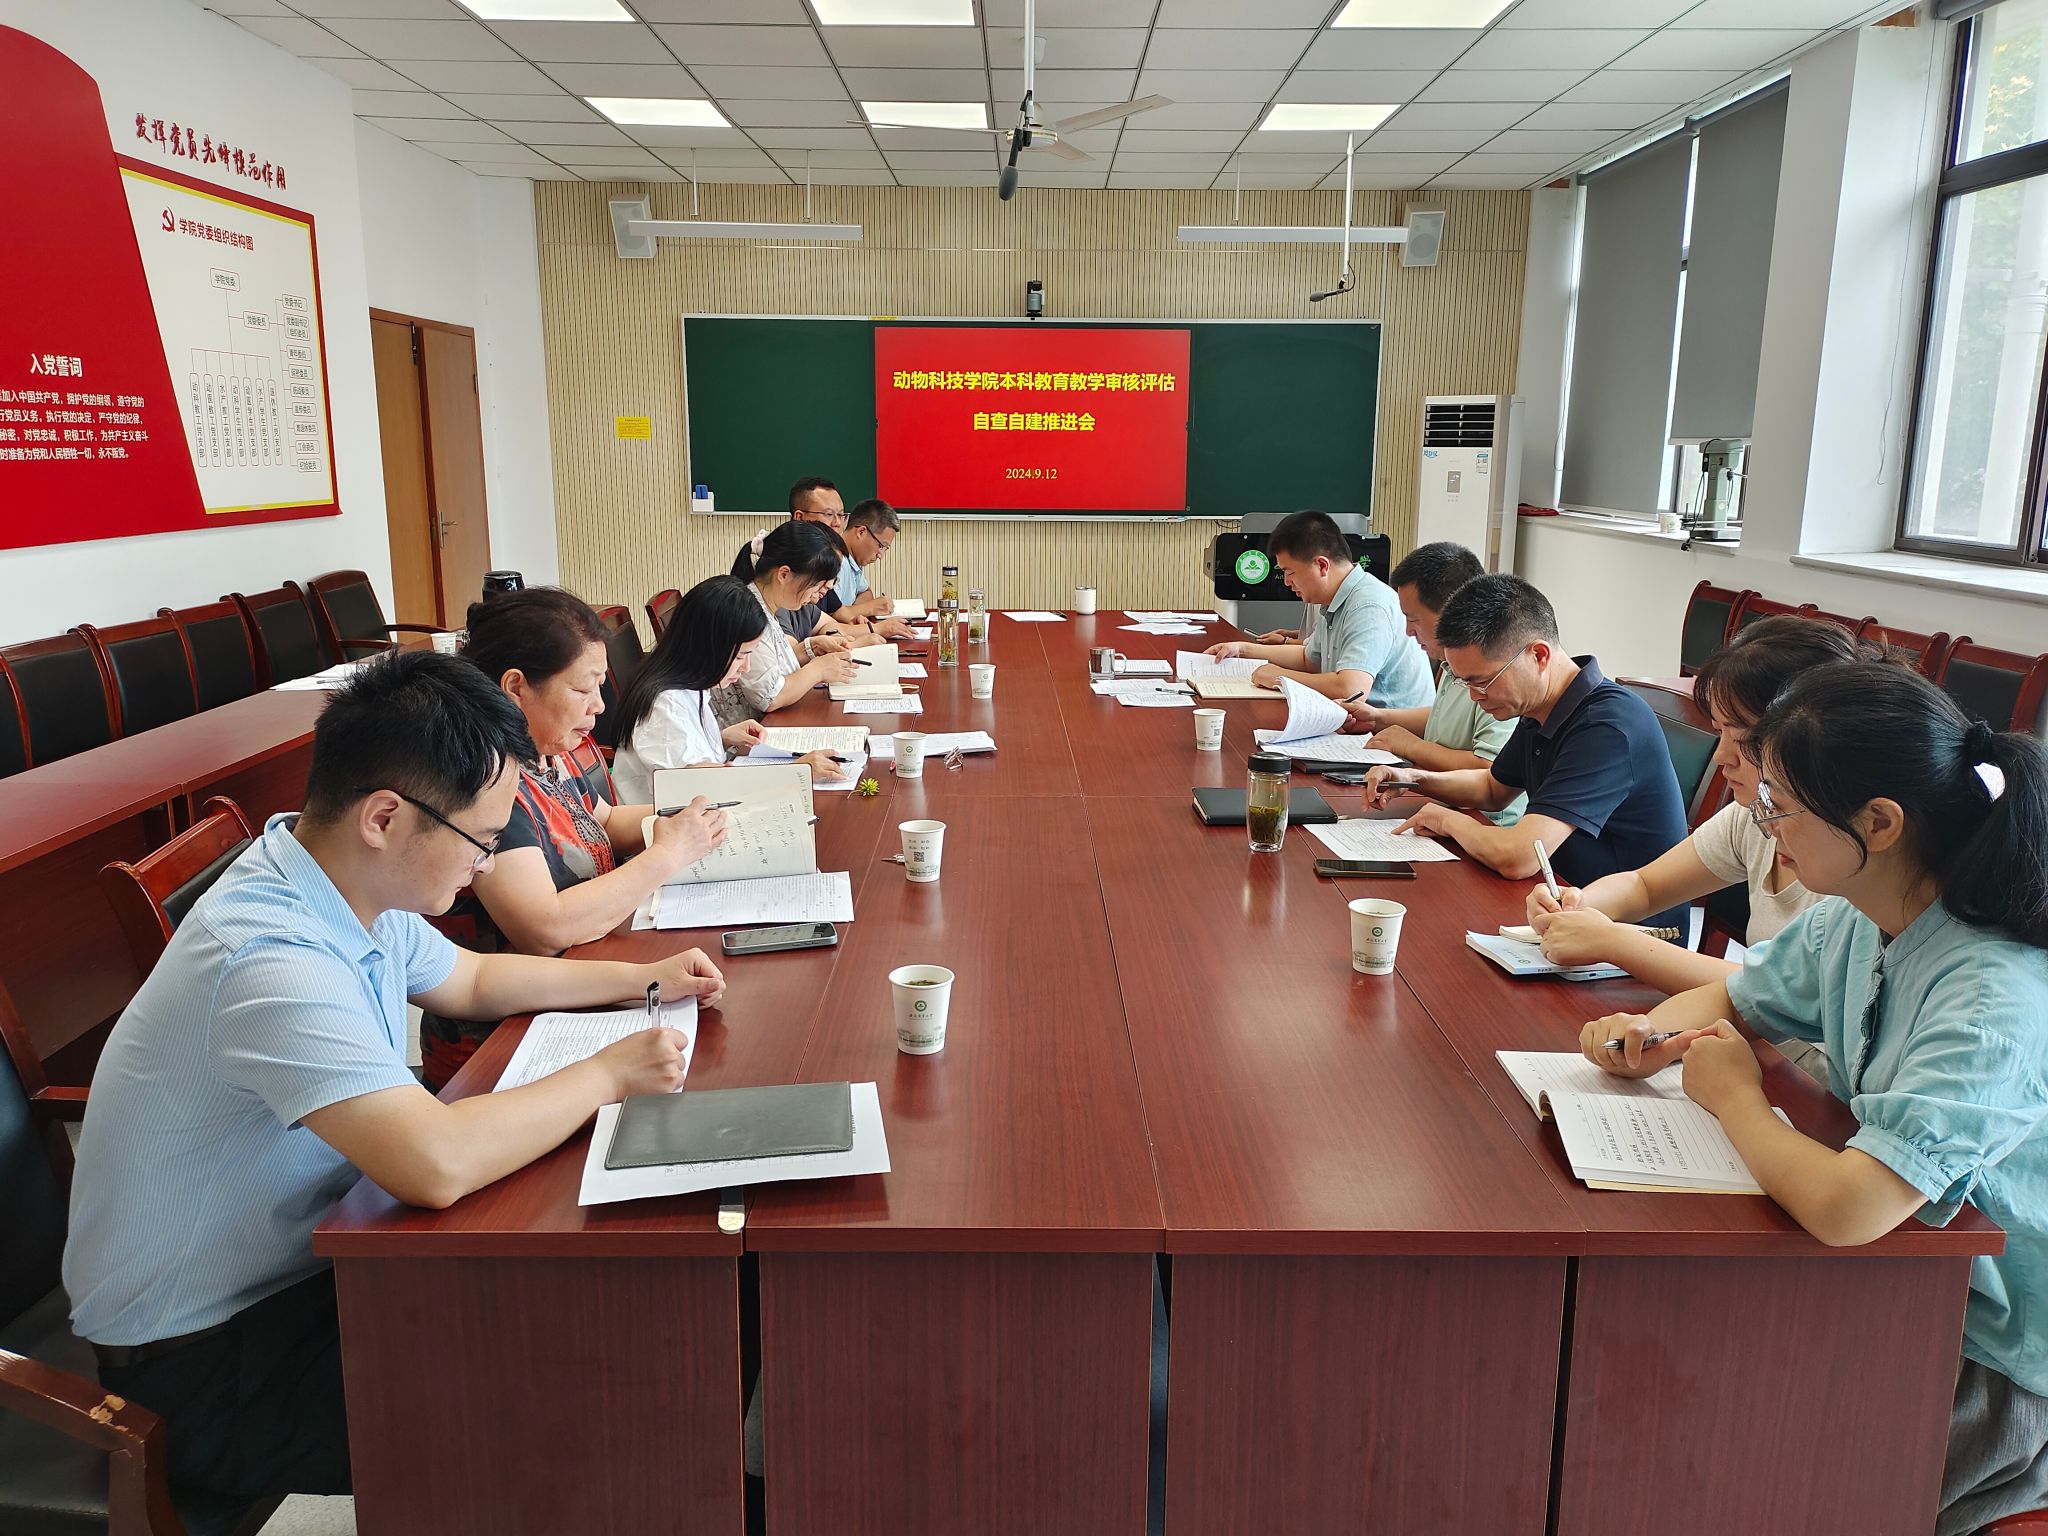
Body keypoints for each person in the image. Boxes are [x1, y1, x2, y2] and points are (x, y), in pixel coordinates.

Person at [63, 651, 726, 1533]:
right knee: (572, 1405)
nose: (486, 864)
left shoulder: (332, 878)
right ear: (385, 816)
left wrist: (642, 980)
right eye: (481, 841)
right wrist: (608, 1073)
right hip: (205, 1356)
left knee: (592, 1325)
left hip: (307, 1265)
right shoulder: (268, 957)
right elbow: (434, 1162)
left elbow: (475, 980)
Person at [1580, 663, 2048, 1536]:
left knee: (1743, 1470)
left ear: (1879, 822)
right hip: (1900, 1275)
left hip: (1989, 1356)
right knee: (1662, 1403)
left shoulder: (1993, 997)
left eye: (1780, 806)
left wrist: (1737, 1100)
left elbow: (1848, 1208)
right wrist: (1650, 1035)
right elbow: (1735, 997)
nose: (1764, 826)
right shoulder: (1862, 912)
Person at [1528, 617, 1890, 1073]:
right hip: (1761, 1049)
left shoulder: (1850, 864)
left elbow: (1767, 992)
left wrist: (1613, 941)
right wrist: (1579, 905)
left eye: (1742, 738)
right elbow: (1646, 885)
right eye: (1719, 731)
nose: (1720, 756)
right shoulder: (1755, 816)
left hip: (1809, 1071)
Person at [422, 588, 727, 1088]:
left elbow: (602, 819)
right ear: (516, 687)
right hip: (504, 1039)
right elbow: (544, 929)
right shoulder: (484, 781)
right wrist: (668, 853)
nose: (600, 706)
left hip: (581, 983)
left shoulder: (546, 748)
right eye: (584, 690)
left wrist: (691, 815)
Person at [1362, 574, 1688, 928]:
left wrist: (1445, 820)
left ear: (1539, 655)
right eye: (1464, 682)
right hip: (1558, 902)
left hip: (1626, 931)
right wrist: (1413, 779)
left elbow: (1520, 856)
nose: (1474, 696)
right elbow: (1493, 788)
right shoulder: (1540, 706)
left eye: (1482, 681)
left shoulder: (1607, 725)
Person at [1336, 540, 1523, 825]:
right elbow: (1445, 720)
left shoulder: (1493, 670)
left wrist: (1410, 746)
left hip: (1484, 821)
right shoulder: (1450, 661)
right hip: (1442, 804)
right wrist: (1379, 718)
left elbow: (1488, 769)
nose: (1408, 631)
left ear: (1452, 613)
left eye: (1413, 620)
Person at [613, 575, 849, 799]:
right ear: (710, 646)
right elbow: (699, 788)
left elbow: (684, 753)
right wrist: (796, 771)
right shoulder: (666, 704)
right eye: (740, 656)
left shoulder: (687, 684)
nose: (746, 667)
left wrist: (721, 738)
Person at [1202, 510, 1433, 707]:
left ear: (1322, 565)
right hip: (1354, 724)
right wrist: (1242, 649)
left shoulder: (1369, 605)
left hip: (1389, 735)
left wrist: (1281, 678)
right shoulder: (1335, 597)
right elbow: (1309, 659)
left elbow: (1351, 689)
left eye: (1290, 572)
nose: (1286, 582)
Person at [716, 518, 862, 728]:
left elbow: (772, 665)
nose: (816, 594)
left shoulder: (764, 604)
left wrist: (811, 648)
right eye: (816, 584)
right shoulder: (749, 613)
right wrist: (818, 670)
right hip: (740, 735)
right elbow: (770, 696)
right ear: (784, 574)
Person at [730, 477, 910, 643]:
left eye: (841, 515)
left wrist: (848, 634)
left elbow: (828, 624)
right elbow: (790, 654)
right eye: (829, 514)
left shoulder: (818, 567)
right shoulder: (792, 575)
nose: (838, 523)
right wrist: (861, 638)